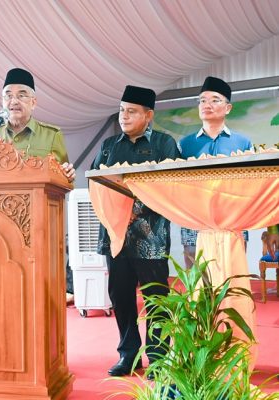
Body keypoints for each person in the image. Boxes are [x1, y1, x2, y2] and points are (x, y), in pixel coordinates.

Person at [91, 85, 180, 377]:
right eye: (121, 110)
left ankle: (158, 358)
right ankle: (128, 355)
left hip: (150, 239)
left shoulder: (164, 144)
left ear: (148, 115)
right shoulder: (108, 145)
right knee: (120, 296)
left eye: (131, 111)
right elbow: (94, 183)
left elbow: (171, 187)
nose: (124, 116)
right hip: (115, 237)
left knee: (156, 298)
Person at [178, 76, 253, 268]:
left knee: (231, 276)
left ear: (227, 108)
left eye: (214, 100)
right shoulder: (185, 144)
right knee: (198, 282)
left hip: (232, 221)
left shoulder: (243, 143)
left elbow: (250, 185)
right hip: (195, 222)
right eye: (202, 100)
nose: (207, 105)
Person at [0, 67, 75, 182]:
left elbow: (64, 179)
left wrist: (67, 175)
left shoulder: (51, 135)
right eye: (8, 96)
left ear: (33, 103)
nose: (14, 101)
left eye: (21, 95)